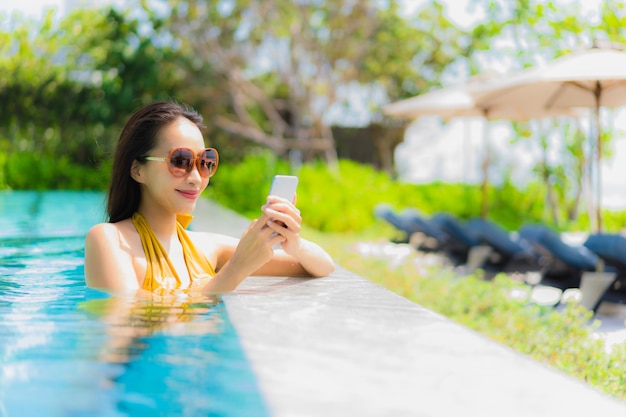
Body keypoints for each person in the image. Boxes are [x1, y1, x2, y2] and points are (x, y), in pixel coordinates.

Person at [84, 100, 335, 296]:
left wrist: (294, 244)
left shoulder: (207, 247)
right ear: (138, 169)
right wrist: (236, 269)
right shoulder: (110, 240)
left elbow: (323, 266)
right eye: (180, 161)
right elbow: (127, 320)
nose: (196, 177)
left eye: (205, 162)